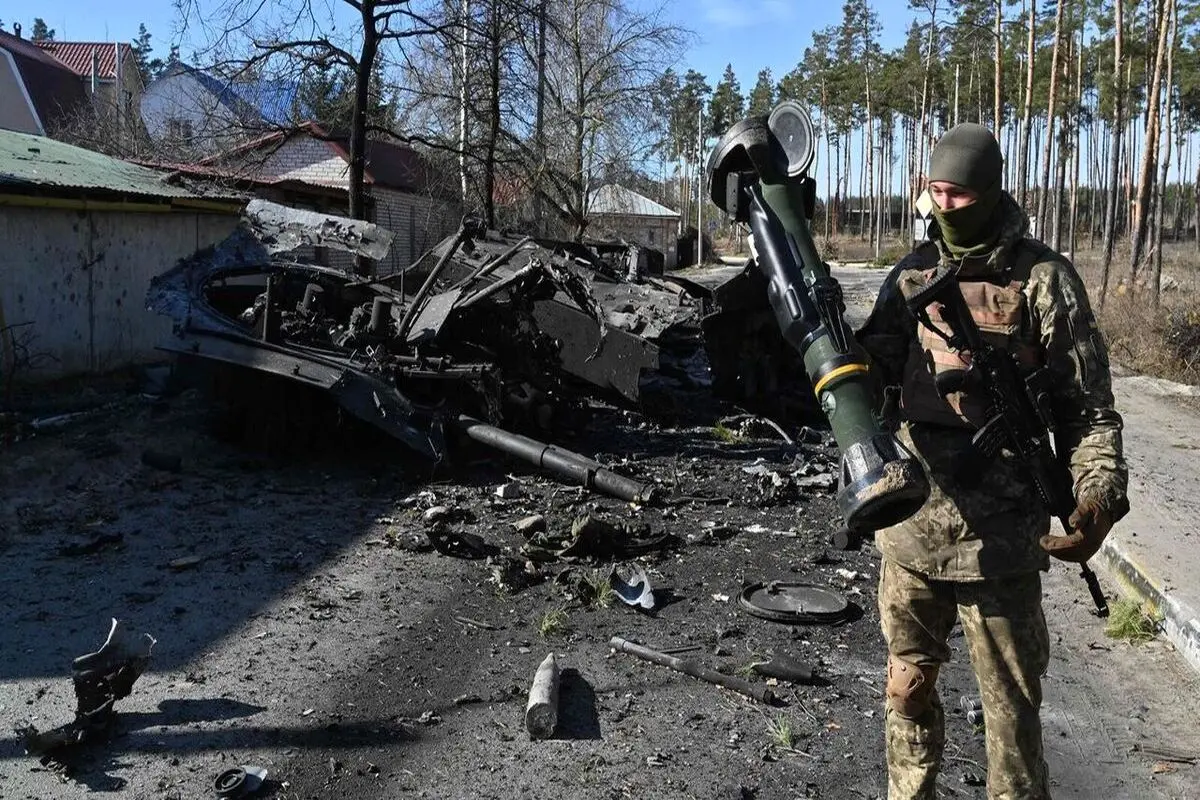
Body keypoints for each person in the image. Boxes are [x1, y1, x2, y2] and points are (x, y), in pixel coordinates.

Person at [855, 122, 1129, 799]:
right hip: (912, 527)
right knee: (908, 694)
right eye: (934, 193)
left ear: (990, 191)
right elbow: (870, 372)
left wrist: (1097, 500)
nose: (943, 207)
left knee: (1011, 724)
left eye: (958, 195)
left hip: (1002, 541)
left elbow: (1089, 410)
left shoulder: (1044, 279)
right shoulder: (911, 273)